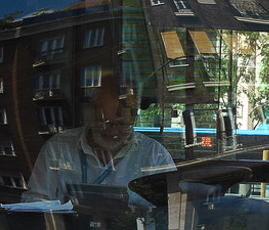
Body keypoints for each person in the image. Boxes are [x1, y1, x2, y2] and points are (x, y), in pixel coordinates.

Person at [25, 77, 175, 200]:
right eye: (104, 122)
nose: (112, 132)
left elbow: (172, 206)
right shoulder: (58, 148)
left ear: (134, 119)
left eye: (122, 124)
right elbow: (35, 199)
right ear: (91, 113)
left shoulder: (155, 156)